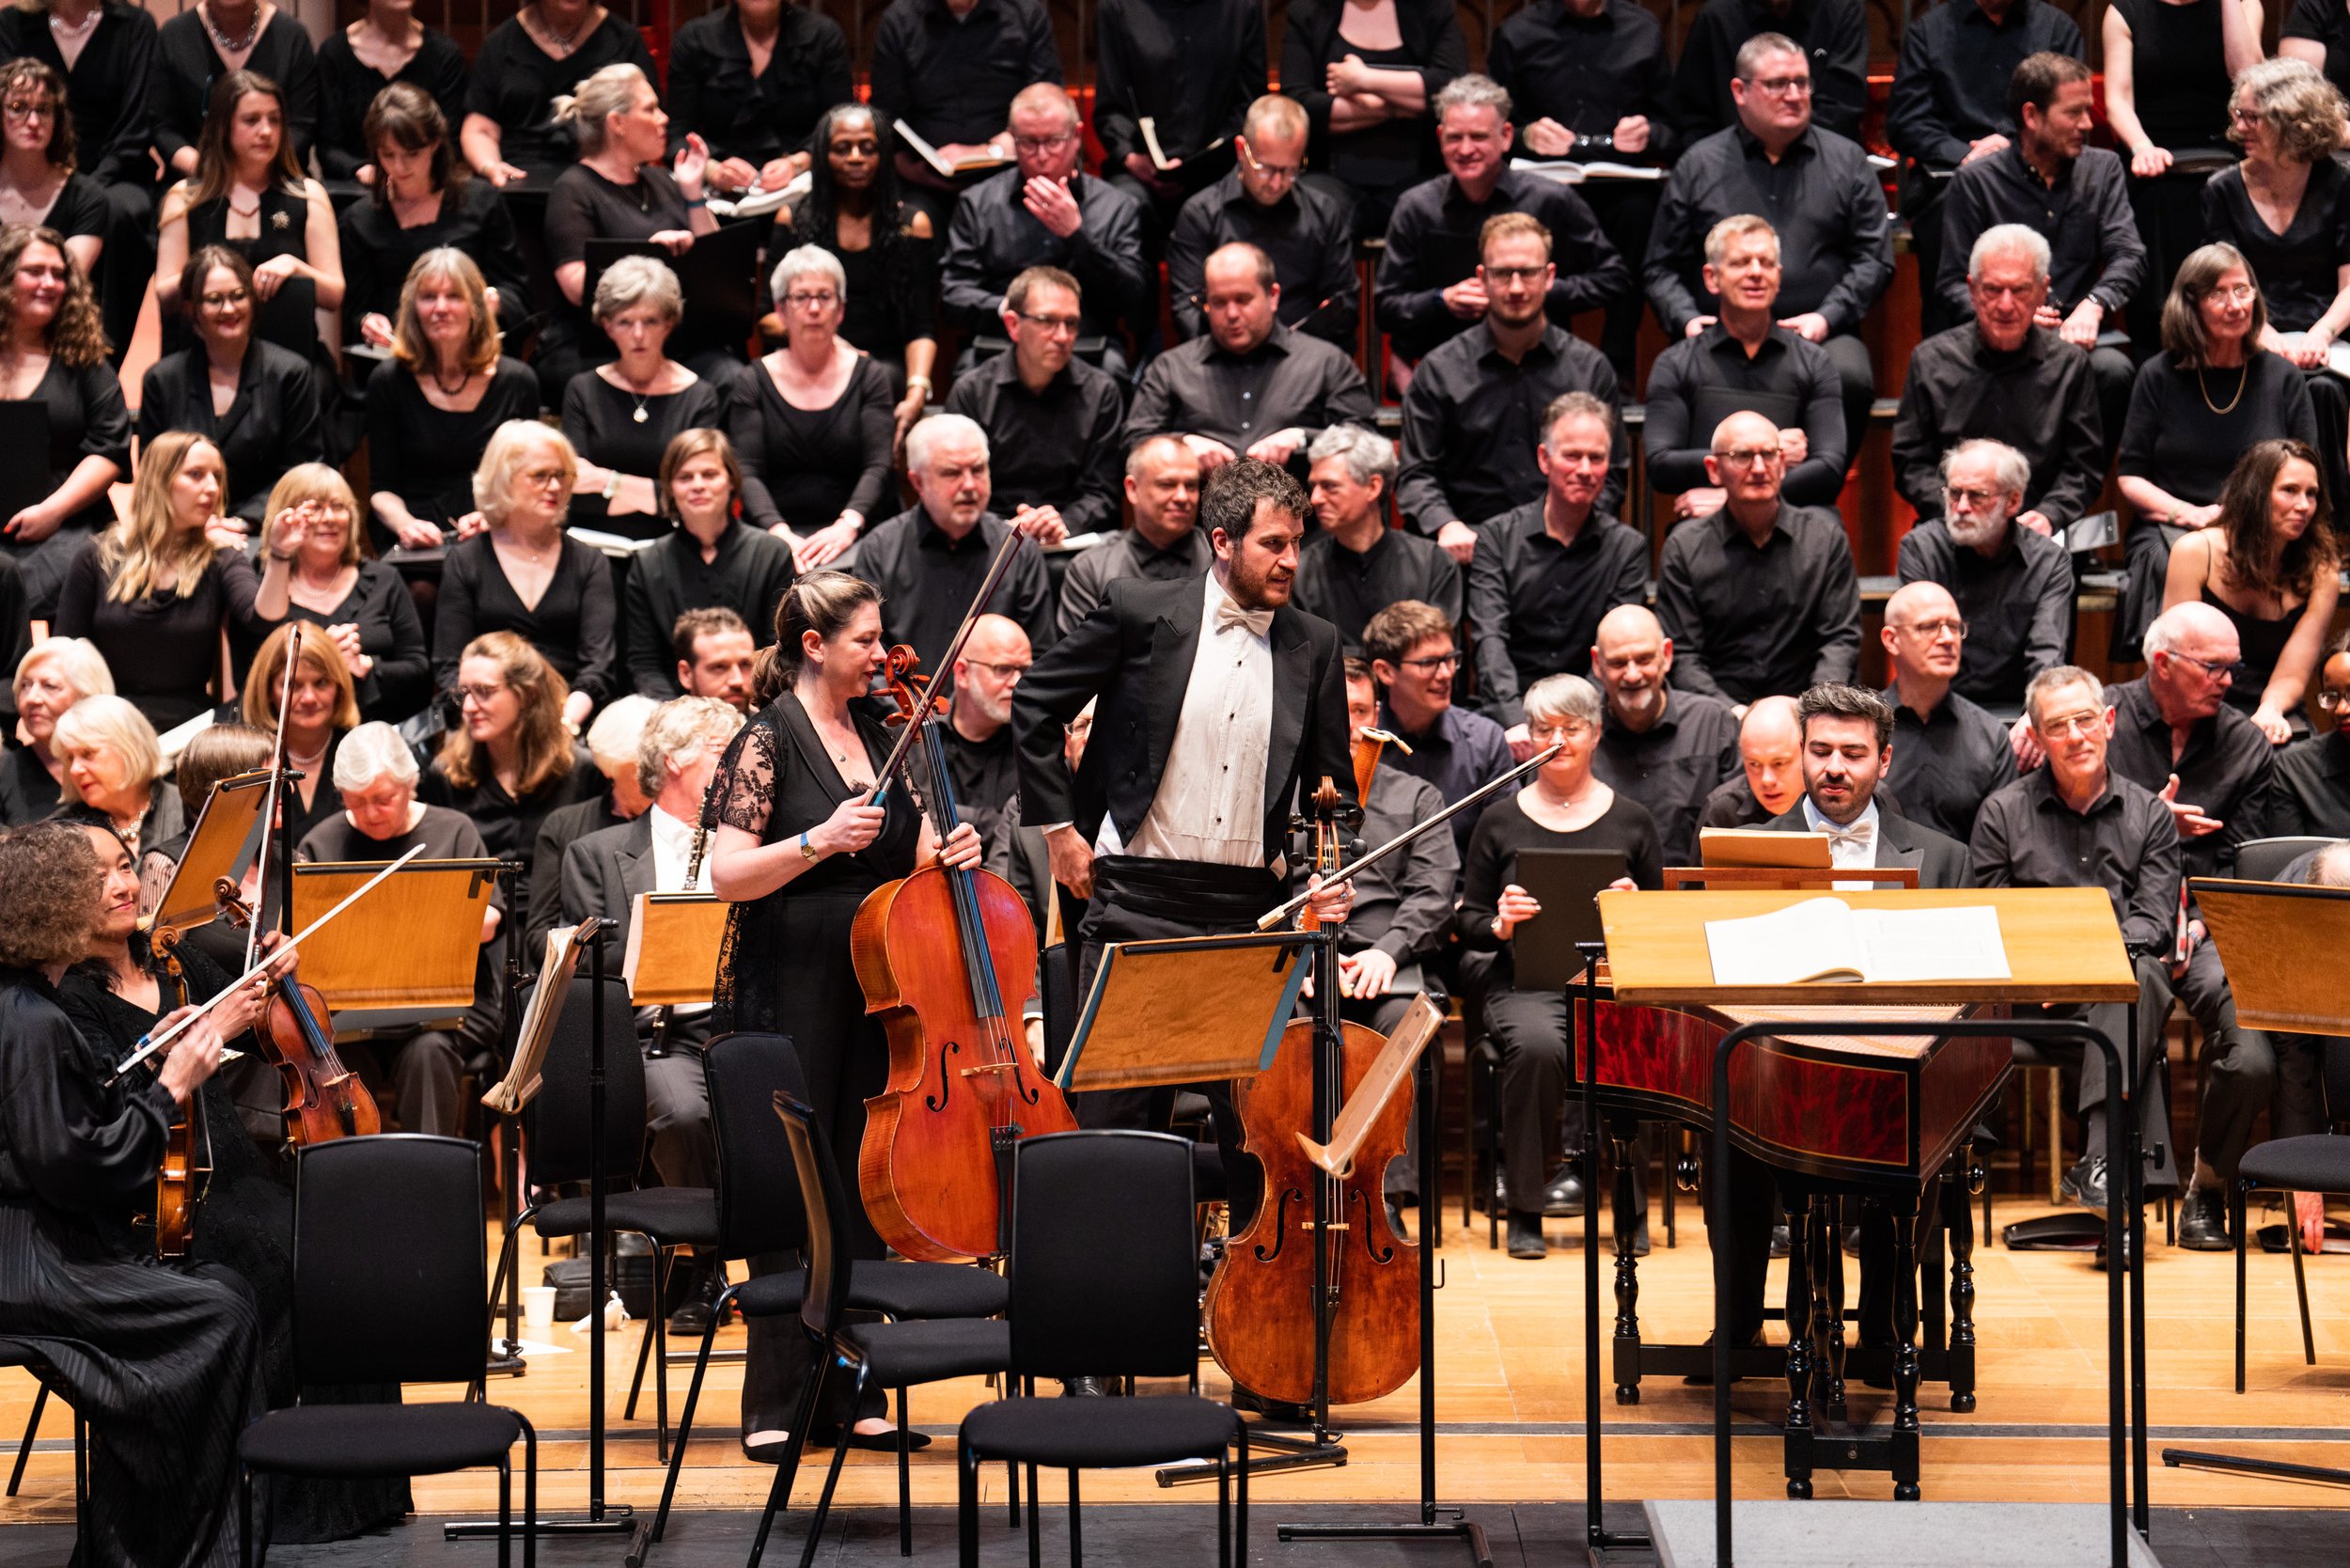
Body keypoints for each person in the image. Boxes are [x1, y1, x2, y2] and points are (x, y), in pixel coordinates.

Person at [1010, 459, 1354, 1245]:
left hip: (1247, 913)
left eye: (1298, 544)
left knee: (1252, 1134)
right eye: (1273, 544)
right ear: (1222, 540)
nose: (1291, 562)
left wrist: (1328, 875)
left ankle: (1254, 1342)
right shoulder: (1140, 611)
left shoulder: (1316, 644)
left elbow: (1333, 787)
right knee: (1116, 1130)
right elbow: (1034, 701)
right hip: (1136, 898)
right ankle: (1100, 1347)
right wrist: (1060, 832)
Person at [705, 570, 982, 1454]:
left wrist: (953, 849)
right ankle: (778, 1405)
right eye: (865, 640)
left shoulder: (878, 732)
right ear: (815, 646)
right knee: (798, 1188)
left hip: (881, 983)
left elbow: (911, 852)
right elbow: (726, 874)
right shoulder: (765, 739)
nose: (882, 653)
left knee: (871, 1174)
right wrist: (817, 839)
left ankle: (861, 1390)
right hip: (791, 985)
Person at [0, 821, 258, 1568]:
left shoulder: (28, 1006)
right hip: (32, 1261)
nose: (119, 890)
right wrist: (175, 1085)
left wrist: (149, 1061)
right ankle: (161, 1548)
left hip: (43, 1243)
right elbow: (77, 1163)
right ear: (50, 905)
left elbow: (75, 1120)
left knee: (221, 1291)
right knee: (218, 1309)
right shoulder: (30, 1019)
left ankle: (151, 1542)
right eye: (92, 882)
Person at [1726, 682, 1970, 1347]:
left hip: (1898, 1066)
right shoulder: (1744, 851)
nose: (1835, 767)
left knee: (1918, 1135)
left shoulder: (1945, 857)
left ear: (1884, 761)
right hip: (1773, 1063)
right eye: (1822, 750)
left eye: (1854, 753)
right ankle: (1741, 1323)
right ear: (1803, 753)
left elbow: (1963, 983)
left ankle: (1888, 1329)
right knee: (1728, 1137)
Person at [1457, 671, 1659, 1258]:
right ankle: (1525, 1206)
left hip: (1608, 983)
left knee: (1628, 1043)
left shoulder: (1633, 820)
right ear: (1529, 736)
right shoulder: (1499, 820)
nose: (1558, 740)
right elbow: (1468, 920)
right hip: (1525, 983)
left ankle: (1629, 1208)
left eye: (1571, 728)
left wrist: (1636, 910)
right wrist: (1501, 922)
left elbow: (1662, 923)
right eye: (1545, 728)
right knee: (1540, 1050)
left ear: (1594, 734)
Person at [1970, 665, 2185, 1215]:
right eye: (2057, 726)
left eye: (2085, 720)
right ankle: (2115, 1185)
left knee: (2139, 979)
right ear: (2038, 740)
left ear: (2109, 722)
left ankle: (2099, 1168)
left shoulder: (2150, 815)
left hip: (2114, 987)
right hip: (2036, 1001)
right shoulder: (2002, 813)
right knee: (2137, 1032)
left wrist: (2087, 969)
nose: (2074, 736)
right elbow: (1997, 921)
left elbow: (2155, 922)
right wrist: (2057, 970)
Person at [560, 695, 743, 1317]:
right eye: (726, 757)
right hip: (658, 1034)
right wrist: (666, 943)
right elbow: (587, 968)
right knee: (684, 1112)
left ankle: (795, 1272)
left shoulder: (754, 846)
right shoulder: (598, 853)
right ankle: (704, 1267)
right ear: (676, 762)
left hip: (743, 1026)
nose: (740, 771)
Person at [1645, 31, 1890, 463]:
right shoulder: (1699, 165)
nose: (1794, 95)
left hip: (1817, 332)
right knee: (1684, 369)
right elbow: (1660, 268)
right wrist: (1686, 321)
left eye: (1802, 82)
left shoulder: (1848, 162)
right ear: (1739, 91)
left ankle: (1812, 493)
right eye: (1778, 84)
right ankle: (1716, 491)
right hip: (1718, 329)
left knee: (1850, 374)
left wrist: (1824, 318)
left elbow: (1873, 260)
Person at [296, 720, 502, 1142]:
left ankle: (431, 1187)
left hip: (444, 1008)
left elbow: (489, 921)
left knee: (429, 1053)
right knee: (332, 1065)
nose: (372, 814)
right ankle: (356, 1193)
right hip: (352, 1013)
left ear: (410, 784)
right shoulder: (322, 842)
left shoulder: (453, 830)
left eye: (384, 799)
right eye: (357, 803)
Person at [2117, 243, 2319, 658]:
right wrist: (2189, 514)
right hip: (2173, 521)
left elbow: (2306, 470)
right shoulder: (2158, 375)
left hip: (2265, 526)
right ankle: (2174, 679)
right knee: (2164, 560)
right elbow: (2131, 476)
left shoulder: (2283, 377)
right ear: (2189, 305)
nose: (2236, 305)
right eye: (2218, 294)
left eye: (2243, 290)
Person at [1935, 52, 2141, 442]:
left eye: (2088, 112)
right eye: (2074, 113)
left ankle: (2077, 492)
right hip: (1999, 334)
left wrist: (2094, 305)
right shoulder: (1977, 181)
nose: (2087, 124)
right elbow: (1950, 283)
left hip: (2077, 336)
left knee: (2114, 372)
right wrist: (2012, 315)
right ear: (2031, 116)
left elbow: (2127, 254)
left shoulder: (2103, 168)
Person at [1396, 212, 1627, 558]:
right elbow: (1416, 473)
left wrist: (1573, 527)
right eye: (1502, 273)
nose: (1516, 287)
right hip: (1467, 548)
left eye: (1528, 273)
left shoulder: (1590, 370)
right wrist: (1447, 525)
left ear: (1549, 276)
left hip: (1565, 550)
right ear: (1482, 278)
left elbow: (1613, 474)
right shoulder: (1440, 370)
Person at [1323, 656, 1457, 1217]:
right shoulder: (1283, 791)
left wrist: (1389, 949)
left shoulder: (1417, 797)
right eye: (1337, 713)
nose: (1350, 724)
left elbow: (1434, 891)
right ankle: (1289, 1188)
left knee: (1408, 1030)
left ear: (1377, 714)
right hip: (1303, 960)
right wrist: (1300, 961)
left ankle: (1386, 1202)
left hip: (1389, 958)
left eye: (1359, 710)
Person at [1373, 73, 1625, 368]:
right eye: (1455, 137)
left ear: (1506, 136)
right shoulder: (1416, 206)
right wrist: (1442, 300)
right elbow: (1386, 307)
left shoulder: (1551, 199)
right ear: (1440, 137)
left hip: (1539, 364)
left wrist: (1536, 287)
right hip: (1444, 371)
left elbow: (1613, 278)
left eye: (1479, 137)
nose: (1466, 150)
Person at [1485, 0, 1677, 374]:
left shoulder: (1643, 29)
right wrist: (1526, 135)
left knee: (1642, 212)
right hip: (1544, 183)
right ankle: (1548, 360)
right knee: (1530, 216)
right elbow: (1493, 126)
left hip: (1621, 184)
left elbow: (1673, 129)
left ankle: (1618, 365)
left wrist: (1649, 133)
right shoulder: (1518, 31)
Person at [52, 430, 279, 732]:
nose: (212, 487)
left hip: (188, 729)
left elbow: (261, 618)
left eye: (217, 476)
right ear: (159, 480)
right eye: (196, 475)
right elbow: (64, 654)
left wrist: (281, 555)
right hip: (108, 724)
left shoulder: (221, 557)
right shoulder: (98, 555)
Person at [1886, 0, 2087, 334]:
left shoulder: (2058, 29)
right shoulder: (1928, 32)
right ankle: (1949, 353)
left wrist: (2010, 148)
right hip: (1952, 175)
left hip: (2039, 169)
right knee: (1947, 215)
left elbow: (2071, 112)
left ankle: (2053, 338)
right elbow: (1906, 121)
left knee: (2072, 206)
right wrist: (1965, 154)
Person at [1894, 223, 2108, 534]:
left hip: (2037, 534)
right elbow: (1910, 464)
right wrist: (1957, 510)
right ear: (1972, 289)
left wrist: (2050, 515)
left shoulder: (2069, 365)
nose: (2006, 305)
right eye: (1993, 290)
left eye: (2020, 290)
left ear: (2041, 290)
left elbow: (2083, 469)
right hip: (1953, 525)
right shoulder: (1931, 361)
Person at [2202, 59, 2350, 502]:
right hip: (2245, 331)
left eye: (2253, 117)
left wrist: (2319, 334)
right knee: (2276, 381)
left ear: (2292, 121)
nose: (2239, 126)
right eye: (2238, 114)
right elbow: (2222, 284)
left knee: (2324, 388)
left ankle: (2330, 531)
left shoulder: (2341, 185)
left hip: (2326, 337)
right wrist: (2265, 335)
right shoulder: (2222, 190)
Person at [939, 83, 1150, 381]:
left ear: (1077, 136)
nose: (1041, 156)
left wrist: (1077, 235)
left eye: (1053, 141)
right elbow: (953, 296)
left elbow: (1132, 299)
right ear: (1012, 139)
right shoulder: (977, 204)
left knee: (1114, 373)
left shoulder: (1116, 205)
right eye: (1027, 142)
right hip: (1000, 344)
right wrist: (1015, 313)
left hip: (1086, 344)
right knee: (967, 376)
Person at [1641, 213, 1847, 515]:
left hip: (1794, 519)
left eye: (1765, 263)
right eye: (1740, 263)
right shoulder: (1676, 362)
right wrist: (1765, 451)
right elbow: (1660, 464)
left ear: (1778, 276)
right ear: (1711, 278)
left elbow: (1830, 467)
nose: (1755, 273)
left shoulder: (1815, 361)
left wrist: (1735, 497)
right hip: (1709, 531)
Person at [1655, 410, 1861, 708]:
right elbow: (1684, 655)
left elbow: (1840, 640)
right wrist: (1733, 714)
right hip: (1718, 719)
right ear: (1713, 470)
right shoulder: (1684, 547)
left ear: (1782, 465)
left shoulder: (1825, 540)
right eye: (1742, 456)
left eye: (1769, 454)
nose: (1759, 467)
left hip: (1809, 715)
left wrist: (1810, 711)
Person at [537, 63, 718, 399]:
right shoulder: (573, 188)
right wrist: (648, 254)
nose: (664, 119)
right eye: (650, 109)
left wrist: (693, 195)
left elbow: (716, 261)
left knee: (730, 374)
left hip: (669, 338)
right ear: (617, 123)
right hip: (596, 344)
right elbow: (578, 286)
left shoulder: (663, 181)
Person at [1468, 392, 1646, 732]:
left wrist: (1567, 724)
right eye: (1572, 456)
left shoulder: (1627, 548)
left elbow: (1613, 652)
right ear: (1544, 459)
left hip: (1590, 718)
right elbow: (1490, 638)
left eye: (1596, 458)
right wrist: (1517, 722)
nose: (1585, 470)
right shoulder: (1497, 537)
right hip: (1511, 718)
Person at [2103, 0, 2265, 361]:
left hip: (2226, 152)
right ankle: (2158, 354)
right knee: (2156, 194)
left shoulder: (2243, 4)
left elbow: (2248, 79)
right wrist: (2142, 146)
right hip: (2153, 154)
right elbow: (2117, 100)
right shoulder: (2126, 10)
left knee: (2227, 192)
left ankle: (2230, 349)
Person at [765, 103, 937, 440]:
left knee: (876, 379)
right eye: (842, 149)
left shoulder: (912, 225)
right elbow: (766, 318)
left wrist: (917, 392)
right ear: (822, 156)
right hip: (807, 350)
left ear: (883, 155)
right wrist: (832, 346)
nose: (856, 157)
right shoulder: (793, 219)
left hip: (880, 361)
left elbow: (922, 327)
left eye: (868, 148)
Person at [0, 0, 162, 350]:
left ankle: (96, 359)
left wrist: (81, 190)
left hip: (116, 172)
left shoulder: (135, 25)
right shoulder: (13, 23)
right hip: (31, 165)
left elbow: (136, 125)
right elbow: (9, 103)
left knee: (119, 213)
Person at [154, 71, 343, 369]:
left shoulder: (308, 196)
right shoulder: (186, 199)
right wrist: (210, 274)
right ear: (224, 126)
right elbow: (165, 295)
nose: (266, 131)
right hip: (203, 361)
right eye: (252, 120)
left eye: (275, 120)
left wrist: (296, 267)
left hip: (289, 359)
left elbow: (334, 294)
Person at [1125, 241, 1376, 466]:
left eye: (1243, 299)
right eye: (1219, 302)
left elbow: (1367, 440)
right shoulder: (1171, 367)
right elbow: (1134, 443)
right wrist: (1182, 444)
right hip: (1199, 515)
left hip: (1301, 513)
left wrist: (1303, 439)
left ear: (1273, 296)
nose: (1232, 314)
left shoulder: (1326, 362)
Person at [432, 421, 616, 727]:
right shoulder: (466, 561)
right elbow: (450, 666)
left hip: (567, 718)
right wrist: (491, 715)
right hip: (484, 718)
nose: (555, 487)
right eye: (540, 476)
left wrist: (564, 722)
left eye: (562, 475)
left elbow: (598, 668)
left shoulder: (589, 561)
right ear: (503, 481)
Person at [728, 244, 896, 568]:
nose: (814, 308)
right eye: (801, 297)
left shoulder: (872, 376)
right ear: (780, 310)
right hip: (775, 535)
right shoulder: (752, 380)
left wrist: (848, 525)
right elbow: (747, 471)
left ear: (841, 310)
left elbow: (878, 465)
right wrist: (779, 534)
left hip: (855, 535)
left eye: (825, 296)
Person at [2164, 438, 2342, 742]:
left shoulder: (2322, 573)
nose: (2303, 506)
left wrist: (2271, 710)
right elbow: (2176, 658)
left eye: (2312, 494)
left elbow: (2293, 672)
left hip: (2275, 701)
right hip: (2197, 701)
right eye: (2289, 490)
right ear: (2256, 494)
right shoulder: (2195, 552)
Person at [847, 413, 1055, 671]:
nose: (969, 485)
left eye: (978, 469)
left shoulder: (1018, 550)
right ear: (917, 482)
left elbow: (1040, 656)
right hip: (903, 711)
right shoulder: (879, 550)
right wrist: (913, 712)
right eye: (952, 473)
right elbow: (869, 661)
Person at [364, 247, 540, 550]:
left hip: (495, 530)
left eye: (454, 296)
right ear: (413, 308)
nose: (440, 308)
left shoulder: (517, 382)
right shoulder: (388, 380)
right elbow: (382, 490)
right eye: (429, 297)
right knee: (420, 592)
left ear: (476, 306)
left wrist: (491, 516)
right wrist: (407, 525)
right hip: (416, 533)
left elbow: (528, 481)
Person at [421, 630, 600, 920]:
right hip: (479, 927)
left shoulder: (582, 771)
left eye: (485, 691)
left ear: (527, 694)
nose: (468, 707)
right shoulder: (445, 774)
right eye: (464, 693)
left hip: (558, 924)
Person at [137, 245, 322, 524]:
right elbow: (154, 474)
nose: (229, 309)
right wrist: (200, 523)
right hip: (183, 529)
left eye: (238, 296)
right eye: (214, 299)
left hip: (268, 528)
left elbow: (303, 470)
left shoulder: (291, 374)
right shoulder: (161, 381)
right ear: (191, 309)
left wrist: (244, 521)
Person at [1894, 437, 2076, 717]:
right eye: (1954, 494)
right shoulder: (1921, 550)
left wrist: (2035, 715)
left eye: (1977, 496)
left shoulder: (2049, 562)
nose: (1961, 507)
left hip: (2018, 709)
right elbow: (1919, 654)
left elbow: (2047, 655)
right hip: (1939, 710)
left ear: (2013, 501)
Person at [942, 265, 1125, 541]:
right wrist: (1006, 529)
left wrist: (1062, 523)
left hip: (1071, 540)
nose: (1063, 336)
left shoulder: (1102, 392)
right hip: (990, 538)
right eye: (1047, 321)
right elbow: (957, 486)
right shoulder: (971, 391)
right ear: (1013, 325)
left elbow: (1101, 492)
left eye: (1071, 323)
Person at [0, 223, 127, 618]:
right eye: (35, 271)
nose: (49, 283)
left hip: (67, 522)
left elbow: (109, 447)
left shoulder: (85, 361)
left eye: (58, 274)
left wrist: (52, 511)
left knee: (76, 570)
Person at [1167, 94, 1359, 348]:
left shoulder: (1323, 213)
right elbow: (1187, 311)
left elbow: (1343, 304)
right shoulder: (1201, 214)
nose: (1277, 183)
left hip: (1304, 364)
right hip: (1224, 363)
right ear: (1240, 149)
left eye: (1289, 170)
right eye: (1265, 168)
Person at [338, 85, 525, 346]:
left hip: (470, 350)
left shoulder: (482, 202)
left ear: (436, 143)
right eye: (388, 155)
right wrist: (367, 321)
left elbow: (516, 292)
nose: (399, 167)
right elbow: (354, 312)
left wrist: (491, 301)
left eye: (412, 154)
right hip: (397, 356)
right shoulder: (359, 220)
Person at [2109, 603, 2280, 887]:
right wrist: (2151, 824)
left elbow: (2240, 861)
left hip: (2205, 912)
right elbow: (2071, 838)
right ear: (2163, 663)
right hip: (2112, 898)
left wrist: (2202, 924)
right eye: (2213, 667)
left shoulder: (2246, 745)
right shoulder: (2099, 722)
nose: (2227, 681)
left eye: (2232, 667)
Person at [559, 256, 728, 541]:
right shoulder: (582, 390)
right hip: (592, 543)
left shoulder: (700, 396)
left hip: (672, 548)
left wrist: (607, 481)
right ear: (607, 325)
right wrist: (658, 495)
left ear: (669, 324)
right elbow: (574, 494)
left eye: (650, 321)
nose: (638, 335)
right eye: (625, 322)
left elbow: (696, 497)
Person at [247, 464, 429, 726]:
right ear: (285, 518)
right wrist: (324, 660)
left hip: (375, 733)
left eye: (338, 506)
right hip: (289, 740)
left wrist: (364, 665)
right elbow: (252, 679)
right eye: (316, 508)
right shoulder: (264, 587)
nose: (330, 517)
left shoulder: (384, 579)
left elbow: (418, 669)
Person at [620, 428, 793, 700]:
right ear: (670, 489)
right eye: (684, 477)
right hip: (676, 710)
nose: (697, 485)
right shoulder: (647, 563)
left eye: (710, 475)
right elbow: (645, 663)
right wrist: (676, 714)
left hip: (757, 703)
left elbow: (779, 650)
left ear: (732, 481)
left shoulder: (771, 553)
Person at [1278, 0, 1467, 237]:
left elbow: (1451, 91)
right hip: (1329, 177)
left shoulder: (1432, 7)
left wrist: (1364, 80)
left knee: (1443, 210)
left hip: (1421, 174)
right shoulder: (1308, 10)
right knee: (1312, 212)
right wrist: (1398, 108)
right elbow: (1300, 105)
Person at [867, 0, 1060, 223]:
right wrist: (913, 170)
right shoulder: (900, 19)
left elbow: (1045, 103)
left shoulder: (1026, 13)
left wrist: (986, 152)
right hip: (921, 181)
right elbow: (886, 113)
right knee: (909, 224)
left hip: (1009, 173)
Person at [1091, 0, 1266, 237]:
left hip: (1217, 167)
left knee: (1243, 201)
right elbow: (1111, 106)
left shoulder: (1242, 7)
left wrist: (1206, 159)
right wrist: (1132, 158)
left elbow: (1250, 103)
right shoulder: (1116, 7)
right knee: (1124, 205)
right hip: (1140, 166)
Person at [1589, 604, 1740, 869]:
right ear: (1597, 664)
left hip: (1697, 904)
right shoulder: (1579, 734)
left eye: (1644, 659)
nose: (1633, 675)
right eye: (1617, 663)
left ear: (1667, 655)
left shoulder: (1713, 723)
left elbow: (1744, 828)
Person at [1365, 597, 1514, 857]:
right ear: (1385, 671)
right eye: (1428, 663)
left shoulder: (1485, 740)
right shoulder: (1360, 743)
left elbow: (1507, 841)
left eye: (1450, 659)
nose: (1446, 674)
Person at [664, 0, 851, 198]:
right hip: (720, 201)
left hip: (807, 194)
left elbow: (840, 127)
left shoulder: (824, 36)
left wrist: (798, 163)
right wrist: (712, 170)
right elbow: (676, 136)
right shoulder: (693, 39)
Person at [1878, 580, 2019, 844]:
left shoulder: (1991, 737)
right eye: (1929, 627)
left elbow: (2001, 844)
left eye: (1954, 627)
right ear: (1891, 639)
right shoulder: (1863, 729)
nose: (1946, 639)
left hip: (1964, 883)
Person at [459, 0, 656, 186]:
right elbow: (479, 130)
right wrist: (491, 167)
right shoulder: (500, 44)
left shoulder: (625, 40)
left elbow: (649, 121)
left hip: (604, 185)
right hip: (516, 183)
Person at [1294, 424, 1458, 648]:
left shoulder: (1434, 565)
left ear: (1373, 487)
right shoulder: (1300, 573)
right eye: (1313, 486)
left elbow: (1437, 654)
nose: (1315, 499)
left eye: (1329, 486)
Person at [525, 692, 652, 954]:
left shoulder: (681, 823)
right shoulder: (563, 825)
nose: (655, 779)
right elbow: (540, 933)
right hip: (593, 982)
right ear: (609, 768)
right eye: (642, 770)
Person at [1057, 434, 1210, 635]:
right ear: (1132, 489)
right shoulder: (1090, 569)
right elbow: (1078, 662)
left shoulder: (1222, 560)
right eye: (1167, 484)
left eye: (1190, 486)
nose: (1182, 497)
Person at [154, 0, 319, 180]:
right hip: (197, 178)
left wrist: (256, 171)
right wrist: (208, 171)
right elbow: (163, 128)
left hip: (276, 178)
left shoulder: (292, 36)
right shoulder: (173, 35)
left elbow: (301, 125)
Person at [233, 621, 360, 845]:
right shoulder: (247, 761)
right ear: (268, 689)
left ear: (339, 686)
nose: (309, 698)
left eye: (321, 683)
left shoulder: (359, 750)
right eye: (293, 685)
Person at [314, 0, 465, 183]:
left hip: (425, 186)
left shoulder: (445, 54)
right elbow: (328, 146)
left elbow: (450, 140)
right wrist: (361, 170)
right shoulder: (334, 54)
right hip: (355, 189)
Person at [1674, 0, 1866, 141]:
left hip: (1818, 162)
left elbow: (1842, 112)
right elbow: (1693, 118)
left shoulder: (1842, 9)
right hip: (1732, 166)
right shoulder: (1716, 16)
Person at [0, 59, 106, 279]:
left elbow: (66, 282)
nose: (33, 122)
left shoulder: (86, 198)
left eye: (44, 109)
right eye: (18, 108)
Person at [47, 693, 179, 855]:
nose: (74, 769)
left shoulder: (189, 811)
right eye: (70, 758)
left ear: (130, 748)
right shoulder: (60, 833)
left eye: (87, 753)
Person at [936, 613, 1029, 842]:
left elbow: (1026, 836)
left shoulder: (1034, 745)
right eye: (1003, 669)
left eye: (1024, 670)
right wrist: (994, 822)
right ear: (962, 672)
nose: (1017, 682)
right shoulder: (915, 739)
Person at [1, 636, 108, 824]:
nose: (32, 698)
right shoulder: (4, 772)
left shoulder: (117, 765)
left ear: (86, 695)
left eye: (49, 686)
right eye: (25, 686)